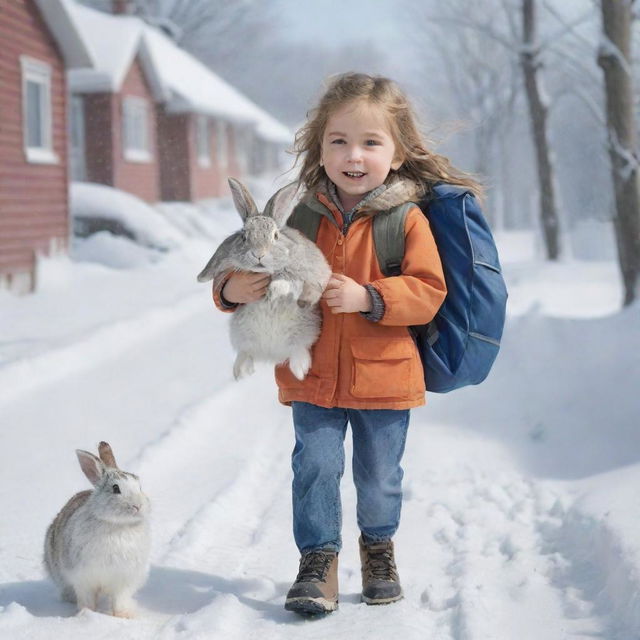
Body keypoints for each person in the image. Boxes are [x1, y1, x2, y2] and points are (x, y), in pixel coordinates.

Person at [212, 72, 482, 615]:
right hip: (311, 375)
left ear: (398, 151)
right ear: (320, 147)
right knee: (314, 466)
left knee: (380, 474)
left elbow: (429, 292)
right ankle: (318, 559)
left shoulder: (405, 219)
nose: (353, 155)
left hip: (385, 374)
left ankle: (378, 547)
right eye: (338, 141)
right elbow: (247, 257)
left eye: (370, 142)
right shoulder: (299, 216)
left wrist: (370, 298)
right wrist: (231, 290)